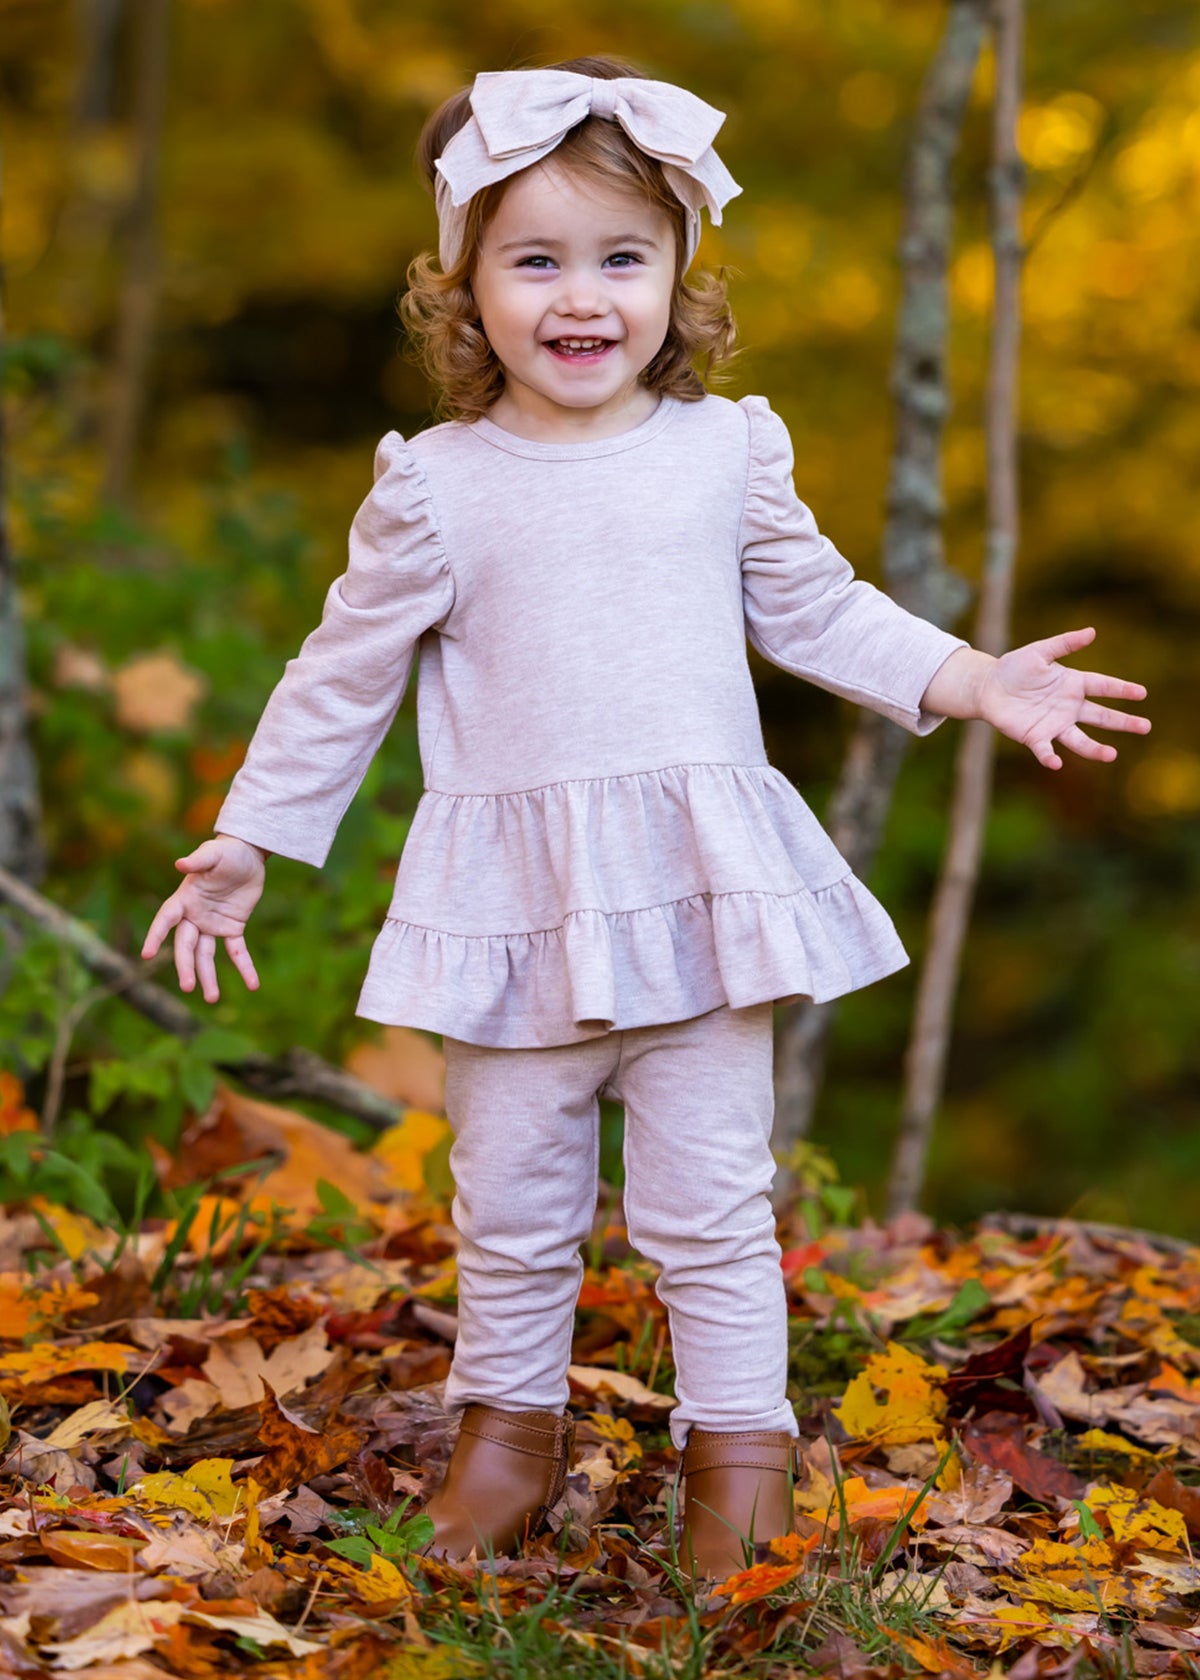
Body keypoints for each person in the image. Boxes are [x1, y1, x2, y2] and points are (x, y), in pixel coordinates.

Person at [142, 55, 1149, 1580]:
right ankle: (504, 1451)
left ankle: (736, 1470)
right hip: (511, 907)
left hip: (696, 896)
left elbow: (821, 610)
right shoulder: (438, 490)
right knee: (513, 1207)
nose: (581, 298)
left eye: (624, 258)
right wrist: (252, 839)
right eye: (533, 260)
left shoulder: (723, 453)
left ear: (680, 274)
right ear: (462, 287)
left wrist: (967, 677)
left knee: (714, 1209)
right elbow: (338, 677)